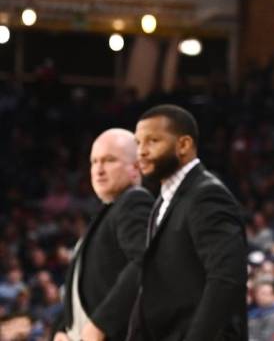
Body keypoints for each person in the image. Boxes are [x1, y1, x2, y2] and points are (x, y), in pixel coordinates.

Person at [127, 104, 247, 340]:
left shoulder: (207, 195)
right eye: (138, 143)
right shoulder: (162, 202)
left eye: (152, 141)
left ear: (183, 145)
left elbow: (226, 280)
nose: (141, 151)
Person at [53, 129, 153, 341]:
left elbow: (147, 263)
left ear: (136, 168)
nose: (98, 170)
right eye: (94, 161)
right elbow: (84, 287)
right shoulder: (108, 211)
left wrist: (101, 324)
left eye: (109, 160)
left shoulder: (134, 201)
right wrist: (62, 328)